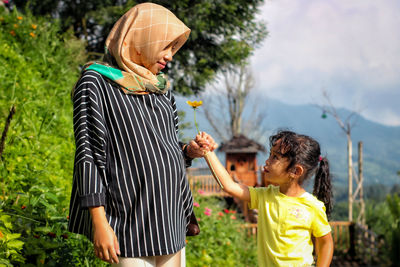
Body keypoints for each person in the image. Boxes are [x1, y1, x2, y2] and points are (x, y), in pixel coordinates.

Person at [68, 3, 216, 266]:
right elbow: (89, 154)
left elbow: (163, 149)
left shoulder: (161, 90)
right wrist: (99, 221)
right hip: (127, 218)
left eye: (174, 49)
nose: (170, 56)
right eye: (165, 46)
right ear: (140, 38)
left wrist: (188, 152)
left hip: (169, 216)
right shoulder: (96, 83)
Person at [200, 130, 334, 266]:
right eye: (270, 155)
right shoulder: (264, 196)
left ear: (295, 171)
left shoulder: (312, 206)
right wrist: (207, 152)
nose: (267, 161)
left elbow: (326, 242)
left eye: (275, 157)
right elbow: (229, 185)